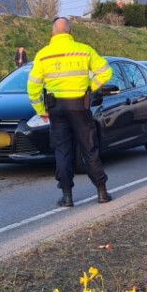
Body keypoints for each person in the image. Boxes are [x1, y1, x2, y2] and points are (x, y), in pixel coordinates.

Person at [27, 18, 112, 208]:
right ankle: (102, 192)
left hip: (56, 109)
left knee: (62, 151)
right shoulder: (84, 50)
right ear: (71, 32)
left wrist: (41, 110)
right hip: (79, 106)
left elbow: (32, 87)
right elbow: (106, 72)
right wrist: (89, 87)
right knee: (89, 148)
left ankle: (67, 197)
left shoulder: (43, 55)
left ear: (52, 34)